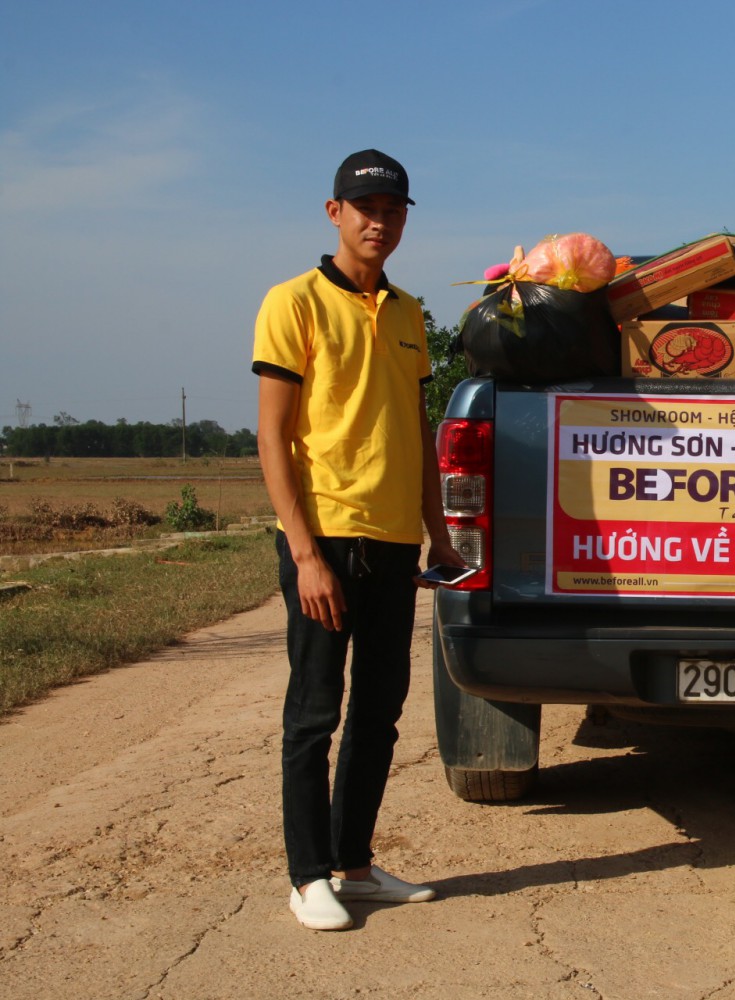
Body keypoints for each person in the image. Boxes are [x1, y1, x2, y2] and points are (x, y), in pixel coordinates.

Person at [253, 149, 465, 931]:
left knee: (379, 712)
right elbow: (273, 437)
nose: (380, 222)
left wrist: (437, 534)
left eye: (394, 209)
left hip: (391, 542)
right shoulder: (294, 302)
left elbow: (413, 426)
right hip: (325, 539)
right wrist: (305, 554)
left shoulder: (409, 313)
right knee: (315, 712)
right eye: (365, 208)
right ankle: (308, 876)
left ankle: (356, 865)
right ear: (334, 212)